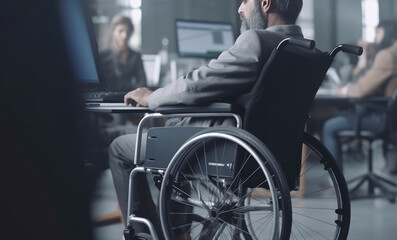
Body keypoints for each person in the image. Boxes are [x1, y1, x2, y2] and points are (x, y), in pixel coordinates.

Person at [109, 0, 304, 237]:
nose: (240, 9)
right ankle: (178, 232)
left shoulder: (257, 41)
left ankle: (147, 234)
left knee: (120, 148)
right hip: (268, 151)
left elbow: (197, 85)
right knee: (174, 136)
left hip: (224, 148)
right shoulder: (299, 47)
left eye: (245, 1)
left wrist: (152, 97)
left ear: (265, 3)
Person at [322, 20, 397, 170]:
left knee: (329, 126)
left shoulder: (387, 55)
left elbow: (361, 90)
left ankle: (336, 182)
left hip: (380, 118)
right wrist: (366, 61)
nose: (374, 37)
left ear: (387, 33)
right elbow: (372, 84)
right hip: (388, 116)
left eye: (378, 32)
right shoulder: (390, 54)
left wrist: (339, 91)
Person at [100, 14, 147, 91]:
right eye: (120, 31)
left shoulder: (135, 56)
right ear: (112, 32)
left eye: (128, 31)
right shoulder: (102, 55)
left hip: (128, 97)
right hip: (107, 97)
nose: (125, 36)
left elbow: (142, 83)